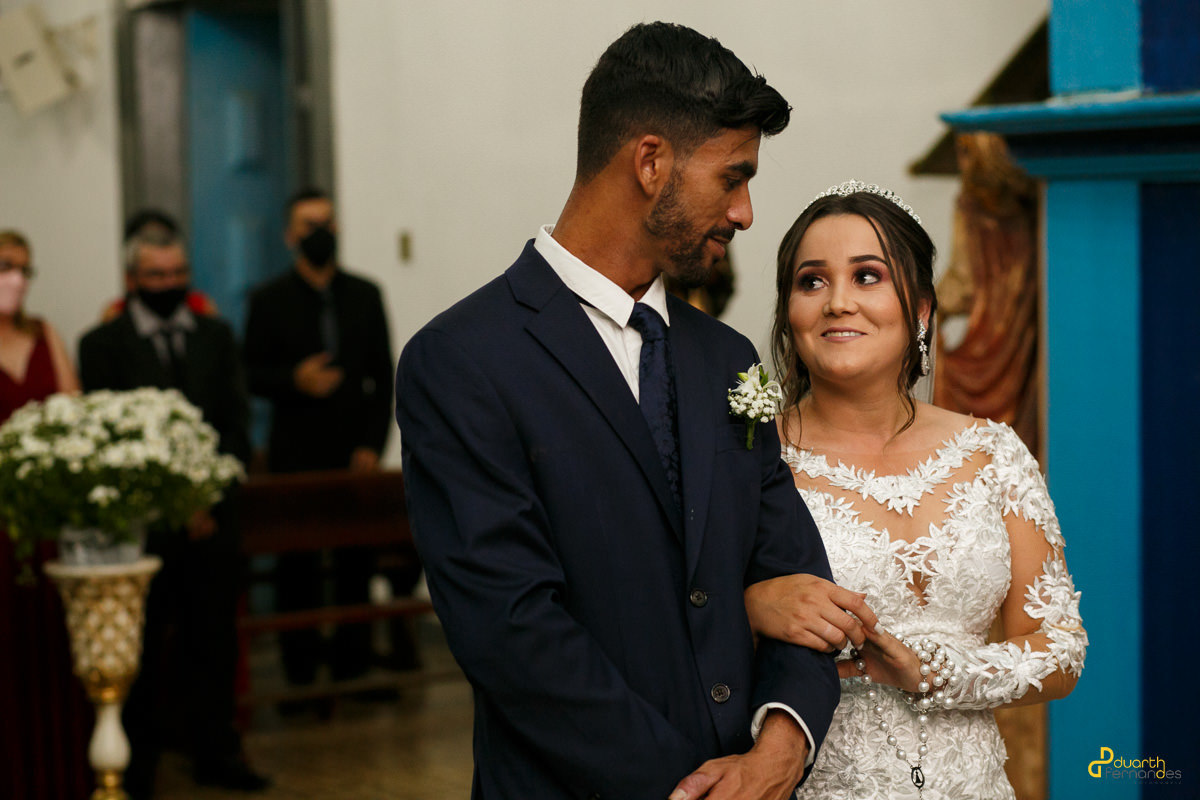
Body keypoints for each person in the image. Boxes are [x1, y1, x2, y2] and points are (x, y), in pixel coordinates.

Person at [396, 22, 865, 800]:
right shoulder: (463, 361)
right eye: (732, 177)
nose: (746, 213)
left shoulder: (726, 359)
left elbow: (795, 579)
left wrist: (781, 747)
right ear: (651, 162)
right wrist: (690, 790)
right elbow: (513, 633)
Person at [747, 181, 1087, 799]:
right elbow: (676, 618)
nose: (837, 303)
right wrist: (752, 607)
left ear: (922, 311)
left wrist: (934, 670)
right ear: (788, 313)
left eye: (867, 276)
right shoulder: (750, 458)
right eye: (812, 281)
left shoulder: (994, 454)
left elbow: (1060, 649)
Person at [78, 227, 268, 797]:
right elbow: (110, 436)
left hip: (212, 522)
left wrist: (205, 499)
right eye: (157, 277)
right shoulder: (102, 344)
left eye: (178, 275)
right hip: (144, 530)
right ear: (133, 280)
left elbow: (236, 423)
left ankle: (217, 751)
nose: (169, 285)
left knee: (212, 642)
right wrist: (170, 505)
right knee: (141, 650)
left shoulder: (215, 335)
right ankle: (137, 764)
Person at [243, 187, 409, 688]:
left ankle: (353, 667)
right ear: (291, 235)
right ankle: (300, 672)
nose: (319, 233)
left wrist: (371, 445)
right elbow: (249, 373)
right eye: (308, 225)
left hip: (352, 448)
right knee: (298, 566)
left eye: (326, 223)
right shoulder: (268, 300)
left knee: (354, 563)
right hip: (295, 450)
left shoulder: (365, 294)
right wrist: (295, 379)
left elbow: (384, 377)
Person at [0, 230, 91, 800]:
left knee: (49, 650)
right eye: (7, 266)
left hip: (43, 521)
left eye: (25, 270)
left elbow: (73, 415)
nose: (17, 280)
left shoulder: (44, 335)